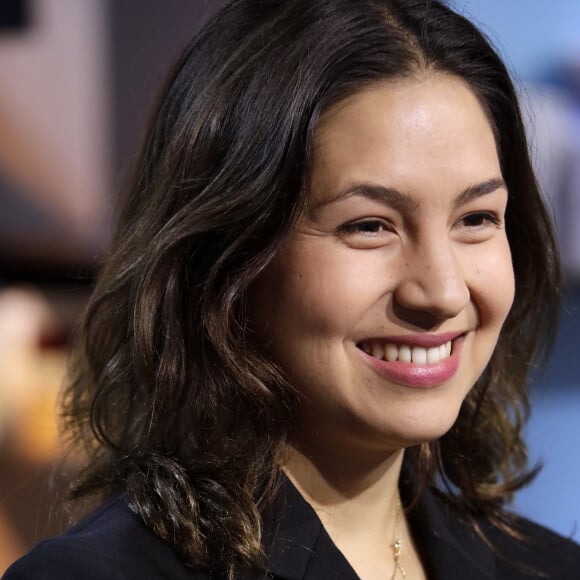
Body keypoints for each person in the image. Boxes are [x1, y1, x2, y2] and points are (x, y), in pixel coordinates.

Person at [4, 0, 580, 578]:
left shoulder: (549, 567)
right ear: (227, 256)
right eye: (369, 226)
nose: (443, 292)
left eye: (476, 219)